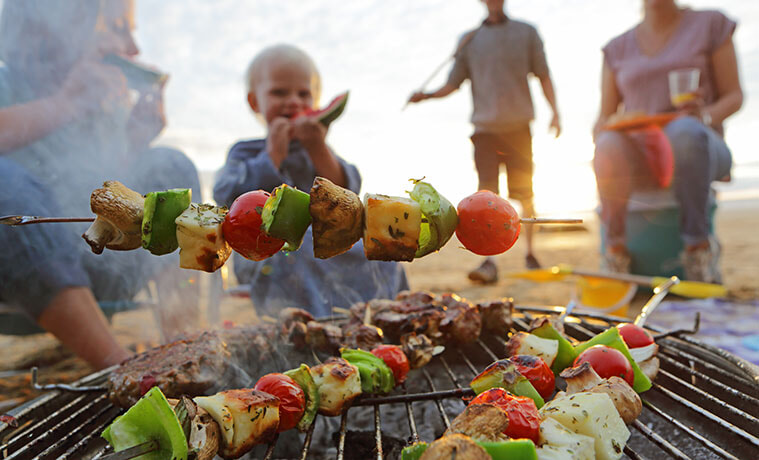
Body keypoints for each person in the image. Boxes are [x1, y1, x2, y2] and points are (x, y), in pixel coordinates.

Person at [0, 0, 202, 369]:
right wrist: (64, 104)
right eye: (116, 27)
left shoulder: (106, 104)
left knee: (168, 164)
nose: (134, 49)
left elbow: (107, 198)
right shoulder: (8, 81)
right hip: (20, 277)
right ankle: (118, 366)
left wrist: (137, 139)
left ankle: (185, 351)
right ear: (63, 23)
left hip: (102, 266)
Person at [214, 44, 408, 318]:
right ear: (255, 102)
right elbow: (225, 194)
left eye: (303, 94)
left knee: (381, 247)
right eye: (279, 92)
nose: (293, 101)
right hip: (267, 255)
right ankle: (315, 328)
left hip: (329, 252)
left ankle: (382, 318)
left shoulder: (317, 151)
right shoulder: (245, 151)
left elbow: (348, 195)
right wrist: (272, 156)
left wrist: (318, 149)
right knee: (298, 248)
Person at [407, 0, 561, 283]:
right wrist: (426, 95)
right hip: (485, 129)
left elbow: (543, 74)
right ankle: (489, 262)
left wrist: (555, 112)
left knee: (525, 193)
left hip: (518, 127)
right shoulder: (469, 39)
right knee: (486, 195)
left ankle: (529, 252)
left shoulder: (527, 32)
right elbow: (453, 83)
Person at [592, 0, 742, 282]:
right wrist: (605, 129)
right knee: (608, 143)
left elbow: (734, 96)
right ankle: (614, 252)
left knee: (684, 132)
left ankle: (698, 251)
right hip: (640, 152)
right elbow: (605, 117)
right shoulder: (617, 48)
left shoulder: (710, 24)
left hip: (699, 143)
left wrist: (704, 116)